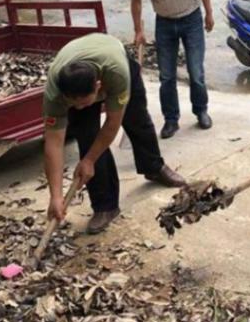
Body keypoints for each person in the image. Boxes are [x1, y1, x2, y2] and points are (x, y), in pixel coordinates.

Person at [43, 33, 186, 234]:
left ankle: (154, 167)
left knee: (137, 119)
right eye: (73, 104)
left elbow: (112, 124)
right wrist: (55, 196)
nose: (80, 108)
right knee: (87, 138)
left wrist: (90, 160)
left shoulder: (117, 74)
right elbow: (53, 145)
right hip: (81, 64)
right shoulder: (54, 93)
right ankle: (105, 207)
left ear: (98, 87)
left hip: (116, 59)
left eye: (84, 103)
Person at [131, 0, 214, 139]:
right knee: (166, 76)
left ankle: (201, 111)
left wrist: (209, 14)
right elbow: (136, 0)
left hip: (192, 19)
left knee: (196, 71)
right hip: (165, 24)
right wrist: (138, 30)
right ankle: (171, 119)